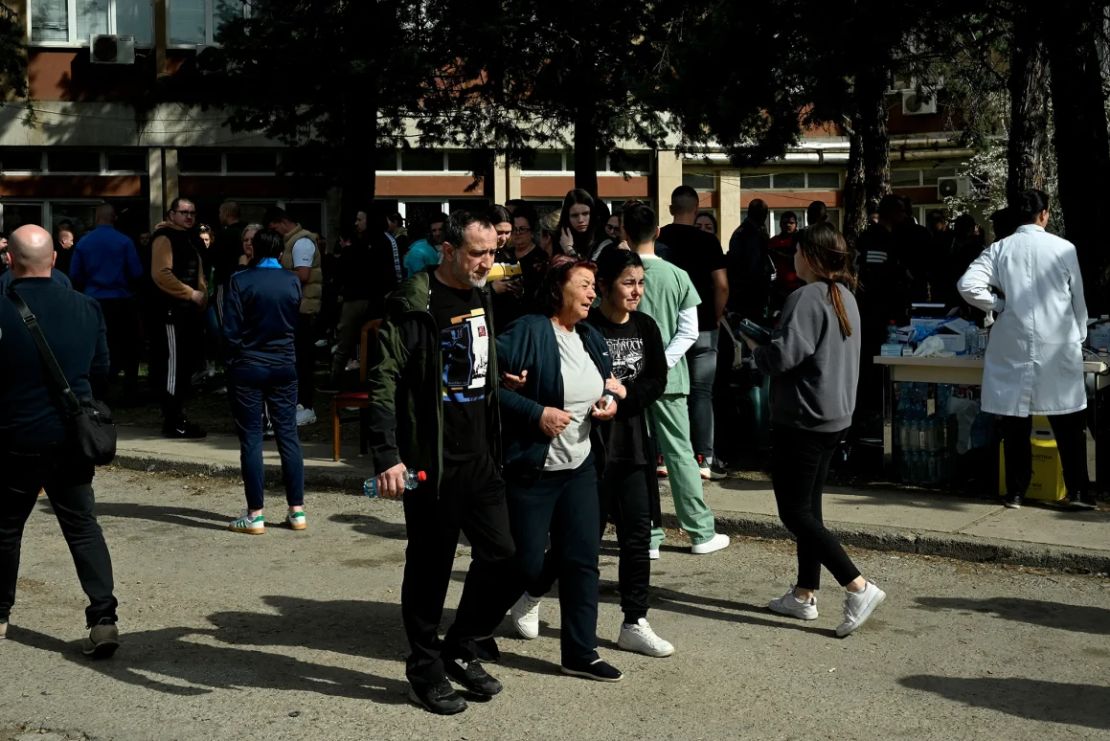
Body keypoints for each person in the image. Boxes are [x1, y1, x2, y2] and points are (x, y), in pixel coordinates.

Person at [366, 209, 516, 715]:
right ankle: (425, 668)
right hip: (432, 463)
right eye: (478, 253)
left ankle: (462, 645)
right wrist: (387, 455)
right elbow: (384, 379)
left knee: (507, 557)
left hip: (480, 456)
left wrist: (497, 380)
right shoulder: (413, 302)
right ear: (448, 250)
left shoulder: (481, 293)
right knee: (431, 569)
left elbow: (471, 361)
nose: (488, 262)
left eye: (493, 252)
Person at [739, 222, 886, 637]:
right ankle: (804, 593)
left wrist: (755, 347)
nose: (794, 258)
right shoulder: (845, 296)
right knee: (810, 508)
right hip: (832, 416)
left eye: (798, 252)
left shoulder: (805, 297)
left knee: (796, 512)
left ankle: (857, 585)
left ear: (813, 256)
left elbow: (782, 358)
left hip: (802, 418)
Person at [497, 255, 623, 681]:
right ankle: (473, 629)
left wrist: (608, 403)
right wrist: (535, 412)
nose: (593, 293)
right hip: (534, 470)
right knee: (526, 563)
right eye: (585, 285)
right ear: (559, 289)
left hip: (580, 466)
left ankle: (580, 653)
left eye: (594, 286)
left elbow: (603, 386)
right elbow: (483, 383)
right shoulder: (529, 330)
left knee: (582, 560)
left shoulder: (588, 335)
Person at [0, 224, 120, 656]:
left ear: (9, 260)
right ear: (54, 259)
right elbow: (102, 370)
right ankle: (103, 618)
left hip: (15, 436)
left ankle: (0, 613)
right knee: (83, 527)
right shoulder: (87, 308)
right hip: (72, 437)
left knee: (6, 527)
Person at [958, 189, 1093, 511]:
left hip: (1013, 341)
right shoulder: (1064, 248)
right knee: (1068, 418)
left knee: (1015, 418)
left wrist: (998, 303)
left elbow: (967, 284)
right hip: (1058, 341)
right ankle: (1078, 492)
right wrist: (1080, 334)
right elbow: (1078, 300)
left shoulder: (999, 249)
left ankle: (1016, 491)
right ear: (1044, 214)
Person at [624, 201, 728, 557]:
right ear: (657, 231)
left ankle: (648, 535)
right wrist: (662, 363)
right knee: (680, 455)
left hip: (629, 380)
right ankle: (699, 531)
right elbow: (689, 332)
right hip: (669, 381)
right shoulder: (677, 275)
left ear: (624, 232)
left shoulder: (618, 277)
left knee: (639, 457)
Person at [588, 249, 674, 656]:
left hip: (635, 447)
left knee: (637, 538)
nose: (636, 291)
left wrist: (626, 396)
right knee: (582, 539)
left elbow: (657, 379)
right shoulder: (587, 327)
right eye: (628, 282)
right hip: (592, 448)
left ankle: (634, 621)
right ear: (604, 285)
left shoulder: (646, 326)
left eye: (640, 283)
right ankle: (532, 594)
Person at [222, 228, 307, 534]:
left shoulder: (240, 280)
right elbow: (296, 319)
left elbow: (229, 329)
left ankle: (255, 514)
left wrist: (231, 359)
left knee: (252, 439)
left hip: (248, 364)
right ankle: (297, 510)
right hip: (284, 362)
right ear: (281, 250)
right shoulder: (292, 280)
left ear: (254, 249)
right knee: (288, 435)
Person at [658, 185, 729, 480]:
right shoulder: (708, 241)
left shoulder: (659, 237)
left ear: (672, 209)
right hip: (703, 327)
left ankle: (664, 455)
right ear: (696, 209)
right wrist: (715, 314)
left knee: (667, 392)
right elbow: (722, 285)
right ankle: (704, 458)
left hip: (666, 326)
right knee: (701, 394)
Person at [68, 204, 144, 399]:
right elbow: (136, 272)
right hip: (121, 299)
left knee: (96, 345)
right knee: (128, 345)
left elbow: (75, 274)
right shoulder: (125, 241)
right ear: (114, 218)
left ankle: (98, 388)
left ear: (96, 218)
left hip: (94, 298)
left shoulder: (84, 242)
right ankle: (130, 388)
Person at [149, 197, 208, 438]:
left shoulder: (188, 238)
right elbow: (161, 273)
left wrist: (201, 294)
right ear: (171, 214)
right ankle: (173, 420)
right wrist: (191, 294)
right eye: (183, 212)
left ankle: (177, 416)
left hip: (186, 314)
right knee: (173, 368)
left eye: (192, 212)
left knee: (183, 368)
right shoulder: (165, 237)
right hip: (172, 313)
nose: (188, 216)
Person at [266, 207, 322, 426]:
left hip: (302, 311)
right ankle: (297, 403)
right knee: (295, 359)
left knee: (302, 360)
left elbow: (303, 275)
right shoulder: (293, 242)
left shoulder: (301, 242)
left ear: (282, 222)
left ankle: (306, 405)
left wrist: (275, 273)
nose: (275, 233)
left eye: (274, 228)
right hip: (295, 309)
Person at [727, 199, 772, 322]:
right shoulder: (747, 233)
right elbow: (753, 266)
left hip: (751, 291)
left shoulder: (756, 231)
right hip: (748, 292)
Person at [557, 189, 602, 259]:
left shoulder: (602, 243)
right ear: (567, 217)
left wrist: (569, 250)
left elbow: (586, 269)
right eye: (574, 215)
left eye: (585, 214)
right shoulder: (559, 241)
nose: (580, 220)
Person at [403, 213, 447, 277]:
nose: (437, 233)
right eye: (434, 230)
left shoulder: (454, 247)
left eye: (441, 229)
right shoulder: (419, 251)